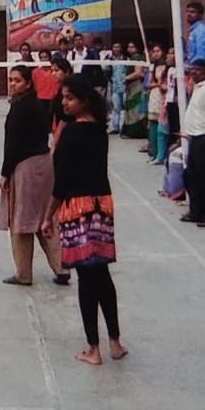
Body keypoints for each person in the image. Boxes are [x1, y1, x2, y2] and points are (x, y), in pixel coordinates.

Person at [42, 75, 125, 366]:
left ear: (84, 100)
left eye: (69, 98)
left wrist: (47, 215)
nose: (64, 103)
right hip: (102, 204)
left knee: (86, 280)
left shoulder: (72, 135)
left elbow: (62, 182)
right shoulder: (99, 132)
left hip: (77, 208)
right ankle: (114, 341)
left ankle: (93, 348)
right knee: (101, 274)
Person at [0, 65, 67, 287]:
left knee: (21, 221)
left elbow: (12, 144)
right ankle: (60, 266)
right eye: (10, 80)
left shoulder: (20, 109)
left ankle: (23, 274)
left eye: (17, 80)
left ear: (28, 83)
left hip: (25, 167)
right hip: (45, 164)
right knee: (45, 219)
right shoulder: (38, 104)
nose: (12, 84)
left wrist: (5, 172)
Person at [179, 59, 205, 227]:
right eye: (193, 69)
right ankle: (196, 211)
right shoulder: (197, 88)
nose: (194, 72)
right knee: (191, 175)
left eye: (198, 70)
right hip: (195, 136)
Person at [121, 44, 147, 140]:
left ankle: (136, 133)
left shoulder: (137, 57)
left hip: (136, 86)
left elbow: (138, 72)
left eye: (132, 47)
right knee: (130, 109)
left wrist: (126, 78)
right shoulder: (131, 58)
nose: (130, 49)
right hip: (130, 87)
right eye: (128, 47)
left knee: (135, 109)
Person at [184, 2, 205, 67]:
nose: (188, 14)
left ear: (200, 15)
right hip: (194, 69)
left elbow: (201, 56)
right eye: (187, 11)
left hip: (200, 71)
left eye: (192, 12)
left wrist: (189, 66)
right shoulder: (193, 31)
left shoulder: (201, 30)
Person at [106, 42, 126, 135]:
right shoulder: (110, 59)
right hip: (115, 86)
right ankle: (115, 127)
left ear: (121, 48)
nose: (116, 48)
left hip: (125, 86)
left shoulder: (126, 59)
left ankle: (125, 127)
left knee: (126, 107)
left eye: (118, 47)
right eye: (114, 47)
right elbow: (106, 71)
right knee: (116, 107)